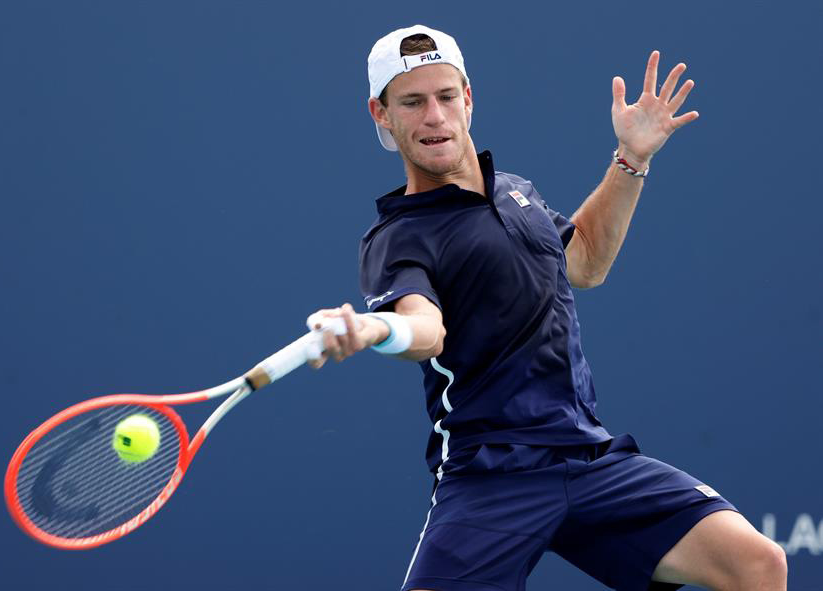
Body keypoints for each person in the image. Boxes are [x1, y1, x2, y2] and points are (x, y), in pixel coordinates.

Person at [307, 25, 787, 591]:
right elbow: (424, 328)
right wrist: (371, 328)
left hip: (587, 456)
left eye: (444, 96)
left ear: (468, 98)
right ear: (381, 114)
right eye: (412, 102)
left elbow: (585, 262)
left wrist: (631, 158)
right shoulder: (398, 236)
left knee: (759, 564)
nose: (434, 116)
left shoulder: (517, 193)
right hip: (491, 474)